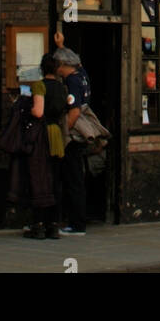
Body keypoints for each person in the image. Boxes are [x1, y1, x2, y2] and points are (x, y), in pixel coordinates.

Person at [6, 56, 67, 239]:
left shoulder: (40, 86)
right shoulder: (62, 88)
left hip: (42, 135)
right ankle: (53, 224)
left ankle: (39, 224)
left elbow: (38, 111)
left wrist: (27, 106)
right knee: (55, 180)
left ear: (42, 68)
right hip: (57, 134)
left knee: (39, 178)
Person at [55, 38, 93, 236]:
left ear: (62, 65)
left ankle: (77, 224)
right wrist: (61, 46)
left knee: (73, 180)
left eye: (58, 65)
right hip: (81, 135)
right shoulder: (82, 75)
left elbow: (74, 111)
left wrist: (64, 135)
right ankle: (77, 220)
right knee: (77, 177)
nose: (57, 69)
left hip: (74, 136)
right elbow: (76, 62)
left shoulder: (71, 81)